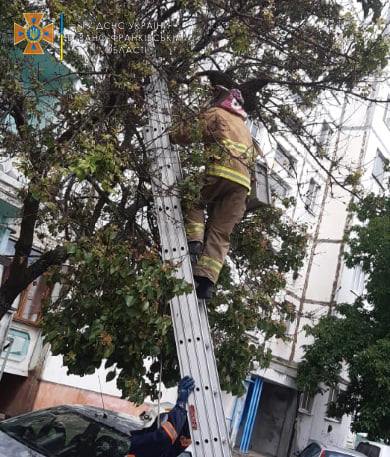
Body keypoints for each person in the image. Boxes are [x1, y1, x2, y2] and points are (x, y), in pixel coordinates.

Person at [171, 85, 258, 299]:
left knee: (192, 193)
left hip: (221, 171)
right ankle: (206, 282)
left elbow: (185, 133)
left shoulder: (217, 114)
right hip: (242, 186)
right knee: (221, 232)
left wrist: (170, 134)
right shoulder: (246, 131)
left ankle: (193, 242)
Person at [127, 376, 195, 457]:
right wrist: (180, 405)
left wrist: (187, 424)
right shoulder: (127, 447)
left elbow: (168, 447)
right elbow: (162, 438)